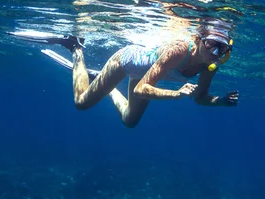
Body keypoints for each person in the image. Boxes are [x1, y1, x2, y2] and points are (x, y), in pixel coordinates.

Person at [23, 20, 238, 128]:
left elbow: (200, 98)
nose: (215, 52)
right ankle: (75, 47)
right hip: (125, 62)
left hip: (144, 77)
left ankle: (105, 84)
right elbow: (140, 89)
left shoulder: (210, 66)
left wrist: (221, 101)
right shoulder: (179, 50)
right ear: (199, 39)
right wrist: (176, 94)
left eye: (222, 48)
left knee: (129, 121)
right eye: (211, 44)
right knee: (81, 103)